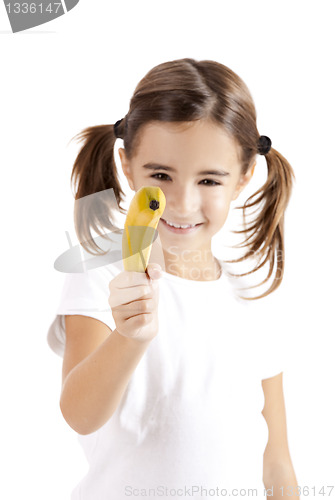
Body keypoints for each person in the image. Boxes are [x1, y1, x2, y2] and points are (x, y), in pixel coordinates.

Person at [47, 58, 300, 499]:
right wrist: (131, 335)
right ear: (127, 165)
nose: (182, 203)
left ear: (243, 177)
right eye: (160, 176)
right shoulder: (104, 272)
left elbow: (275, 458)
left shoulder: (254, 295)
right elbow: (80, 414)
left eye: (209, 180)